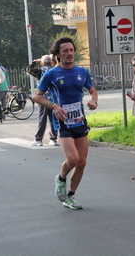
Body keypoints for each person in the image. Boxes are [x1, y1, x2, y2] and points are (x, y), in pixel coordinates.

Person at [32, 37, 98, 210]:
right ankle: (61, 178)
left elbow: (93, 91)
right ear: (58, 55)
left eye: (71, 50)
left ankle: (70, 196)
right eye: (65, 51)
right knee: (73, 159)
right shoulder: (51, 74)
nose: (69, 54)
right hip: (63, 123)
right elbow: (36, 96)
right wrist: (53, 106)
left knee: (82, 162)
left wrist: (94, 101)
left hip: (80, 122)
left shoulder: (82, 72)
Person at [27, 55, 58, 146]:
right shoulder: (55, 70)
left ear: (42, 63)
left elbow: (29, 69)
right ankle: (53, 139)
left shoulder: (40, 71)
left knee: (42, 119)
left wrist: (34, 61)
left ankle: (38, 139)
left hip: (43, 99)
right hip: (53, 99)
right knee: (52, 120)